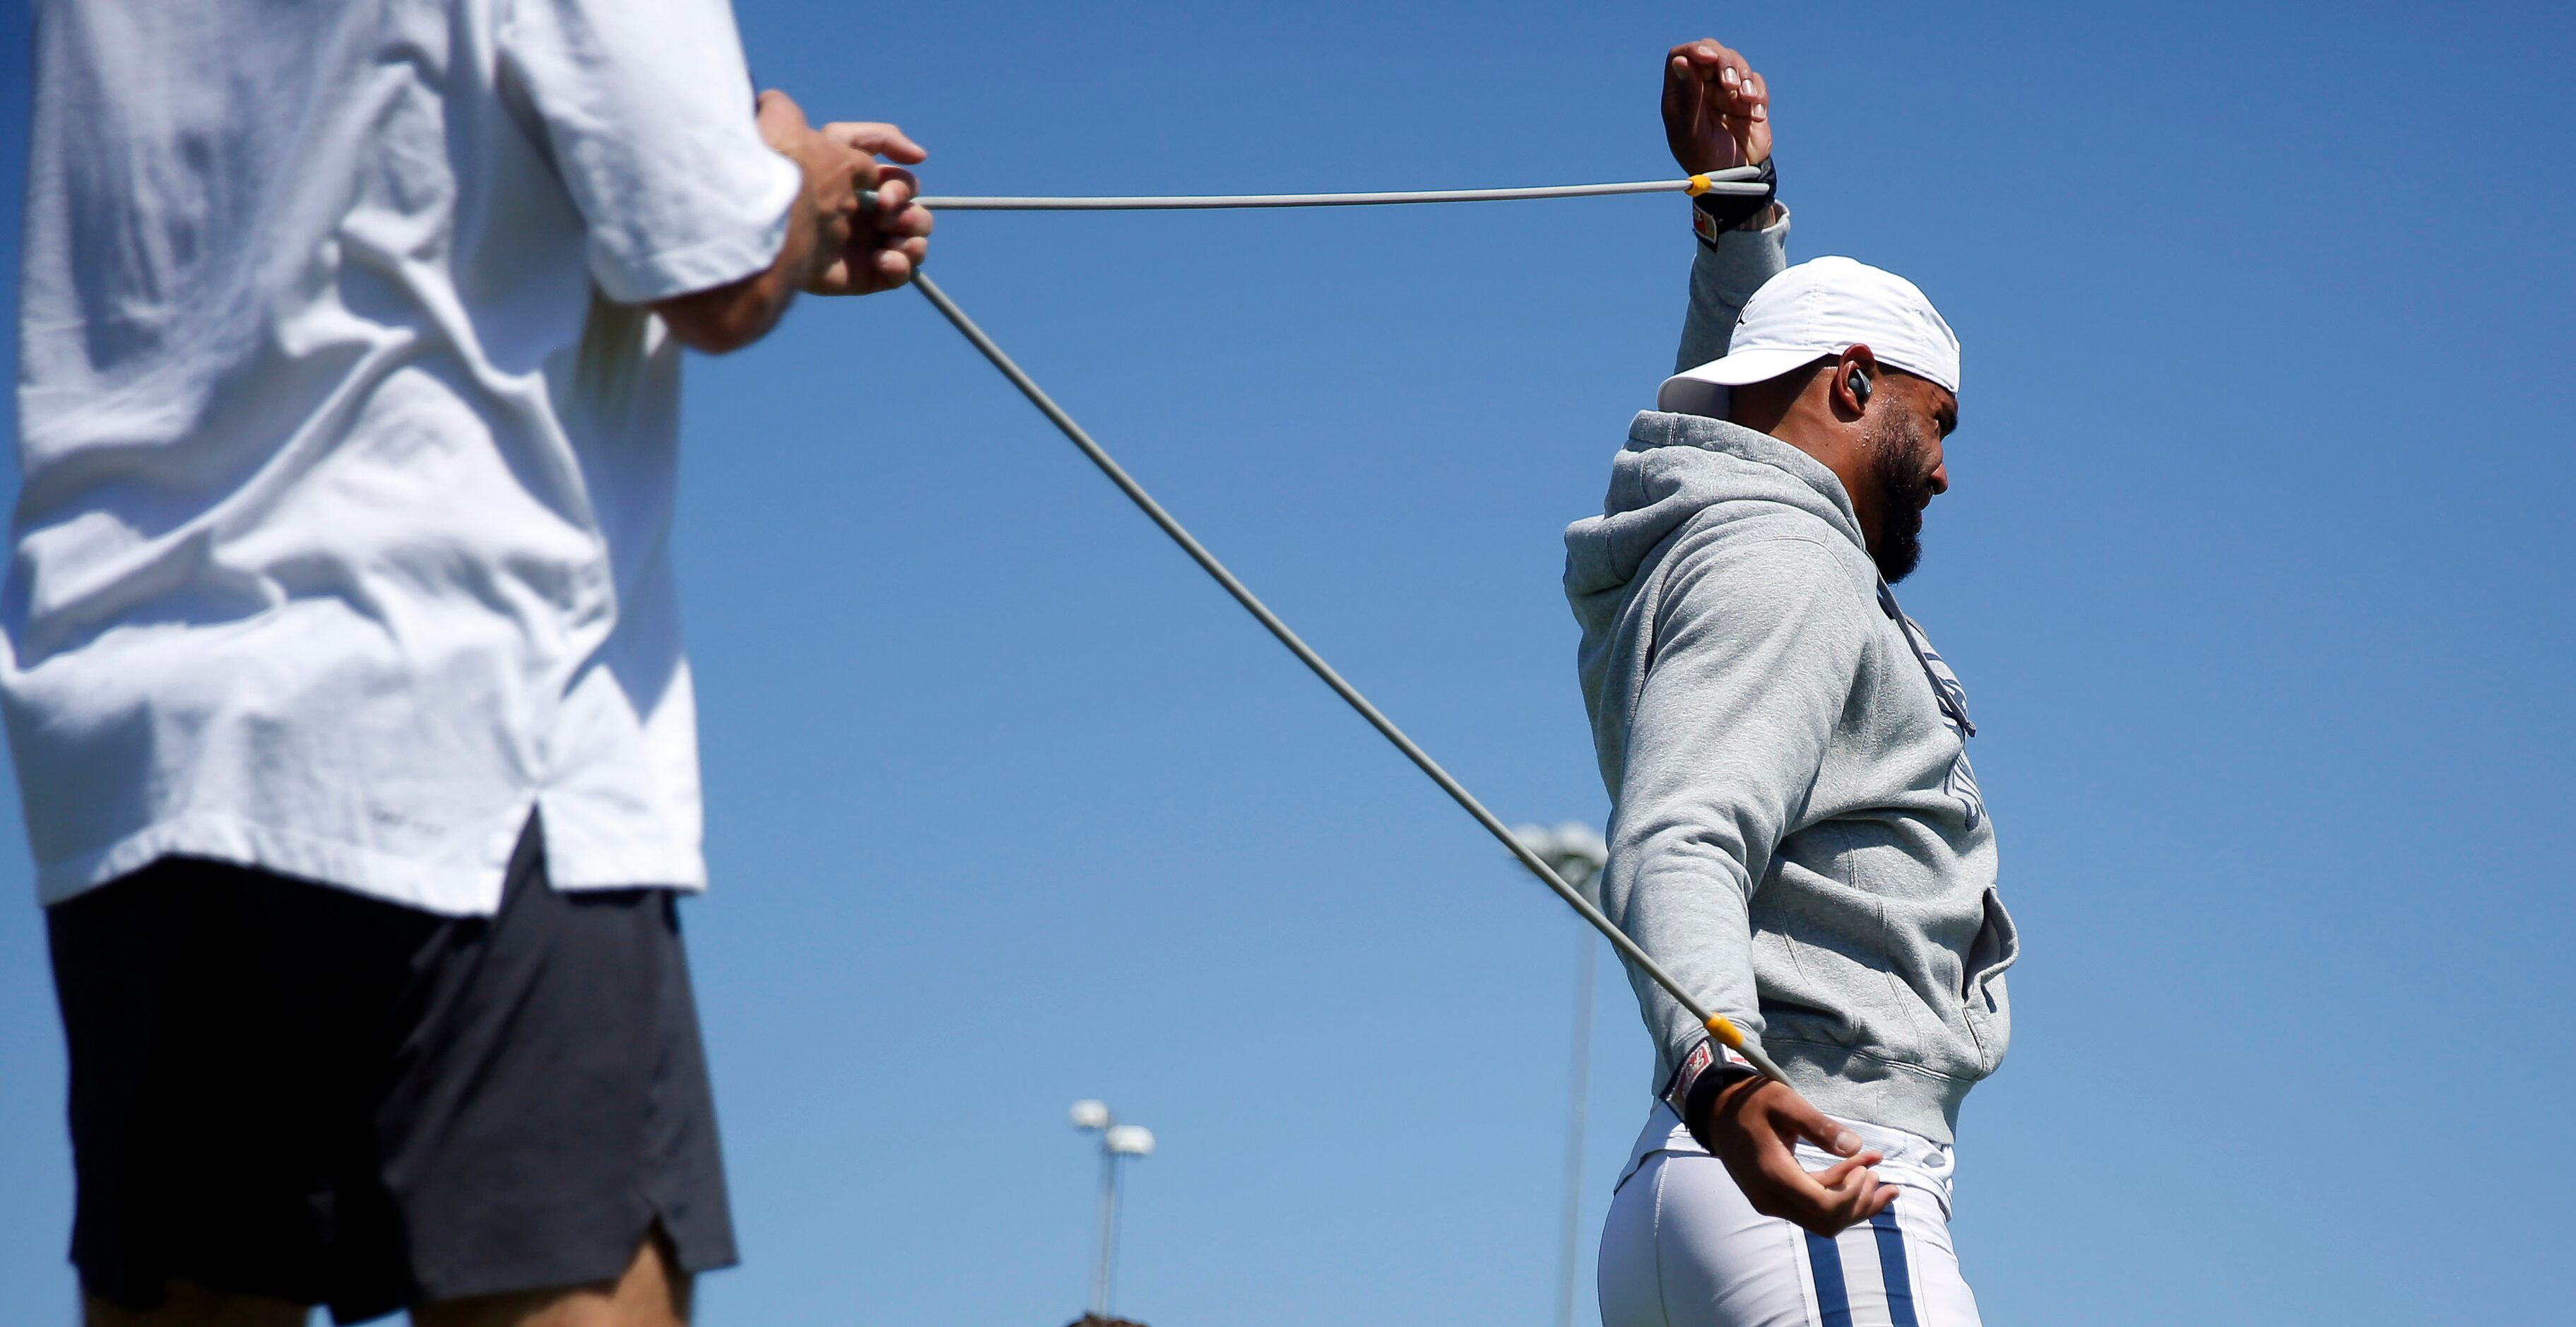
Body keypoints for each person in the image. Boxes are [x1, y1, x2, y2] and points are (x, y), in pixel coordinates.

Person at [6, 1, 933, 1323]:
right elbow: (718, 274)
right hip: (468, 723)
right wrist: (789, 169)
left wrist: (761, 206)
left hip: (131, 737)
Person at [1568, 39, 2016, 1327]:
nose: (1941, 470)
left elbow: (1739, 413)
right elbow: (1685, 824)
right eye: (1937, 425)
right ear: (1855, 383)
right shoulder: (1782, 557)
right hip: (1817, 1160)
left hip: (1713, 1184)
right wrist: (1722, 1067)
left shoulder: (1713, 526)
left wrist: (1735, 216)